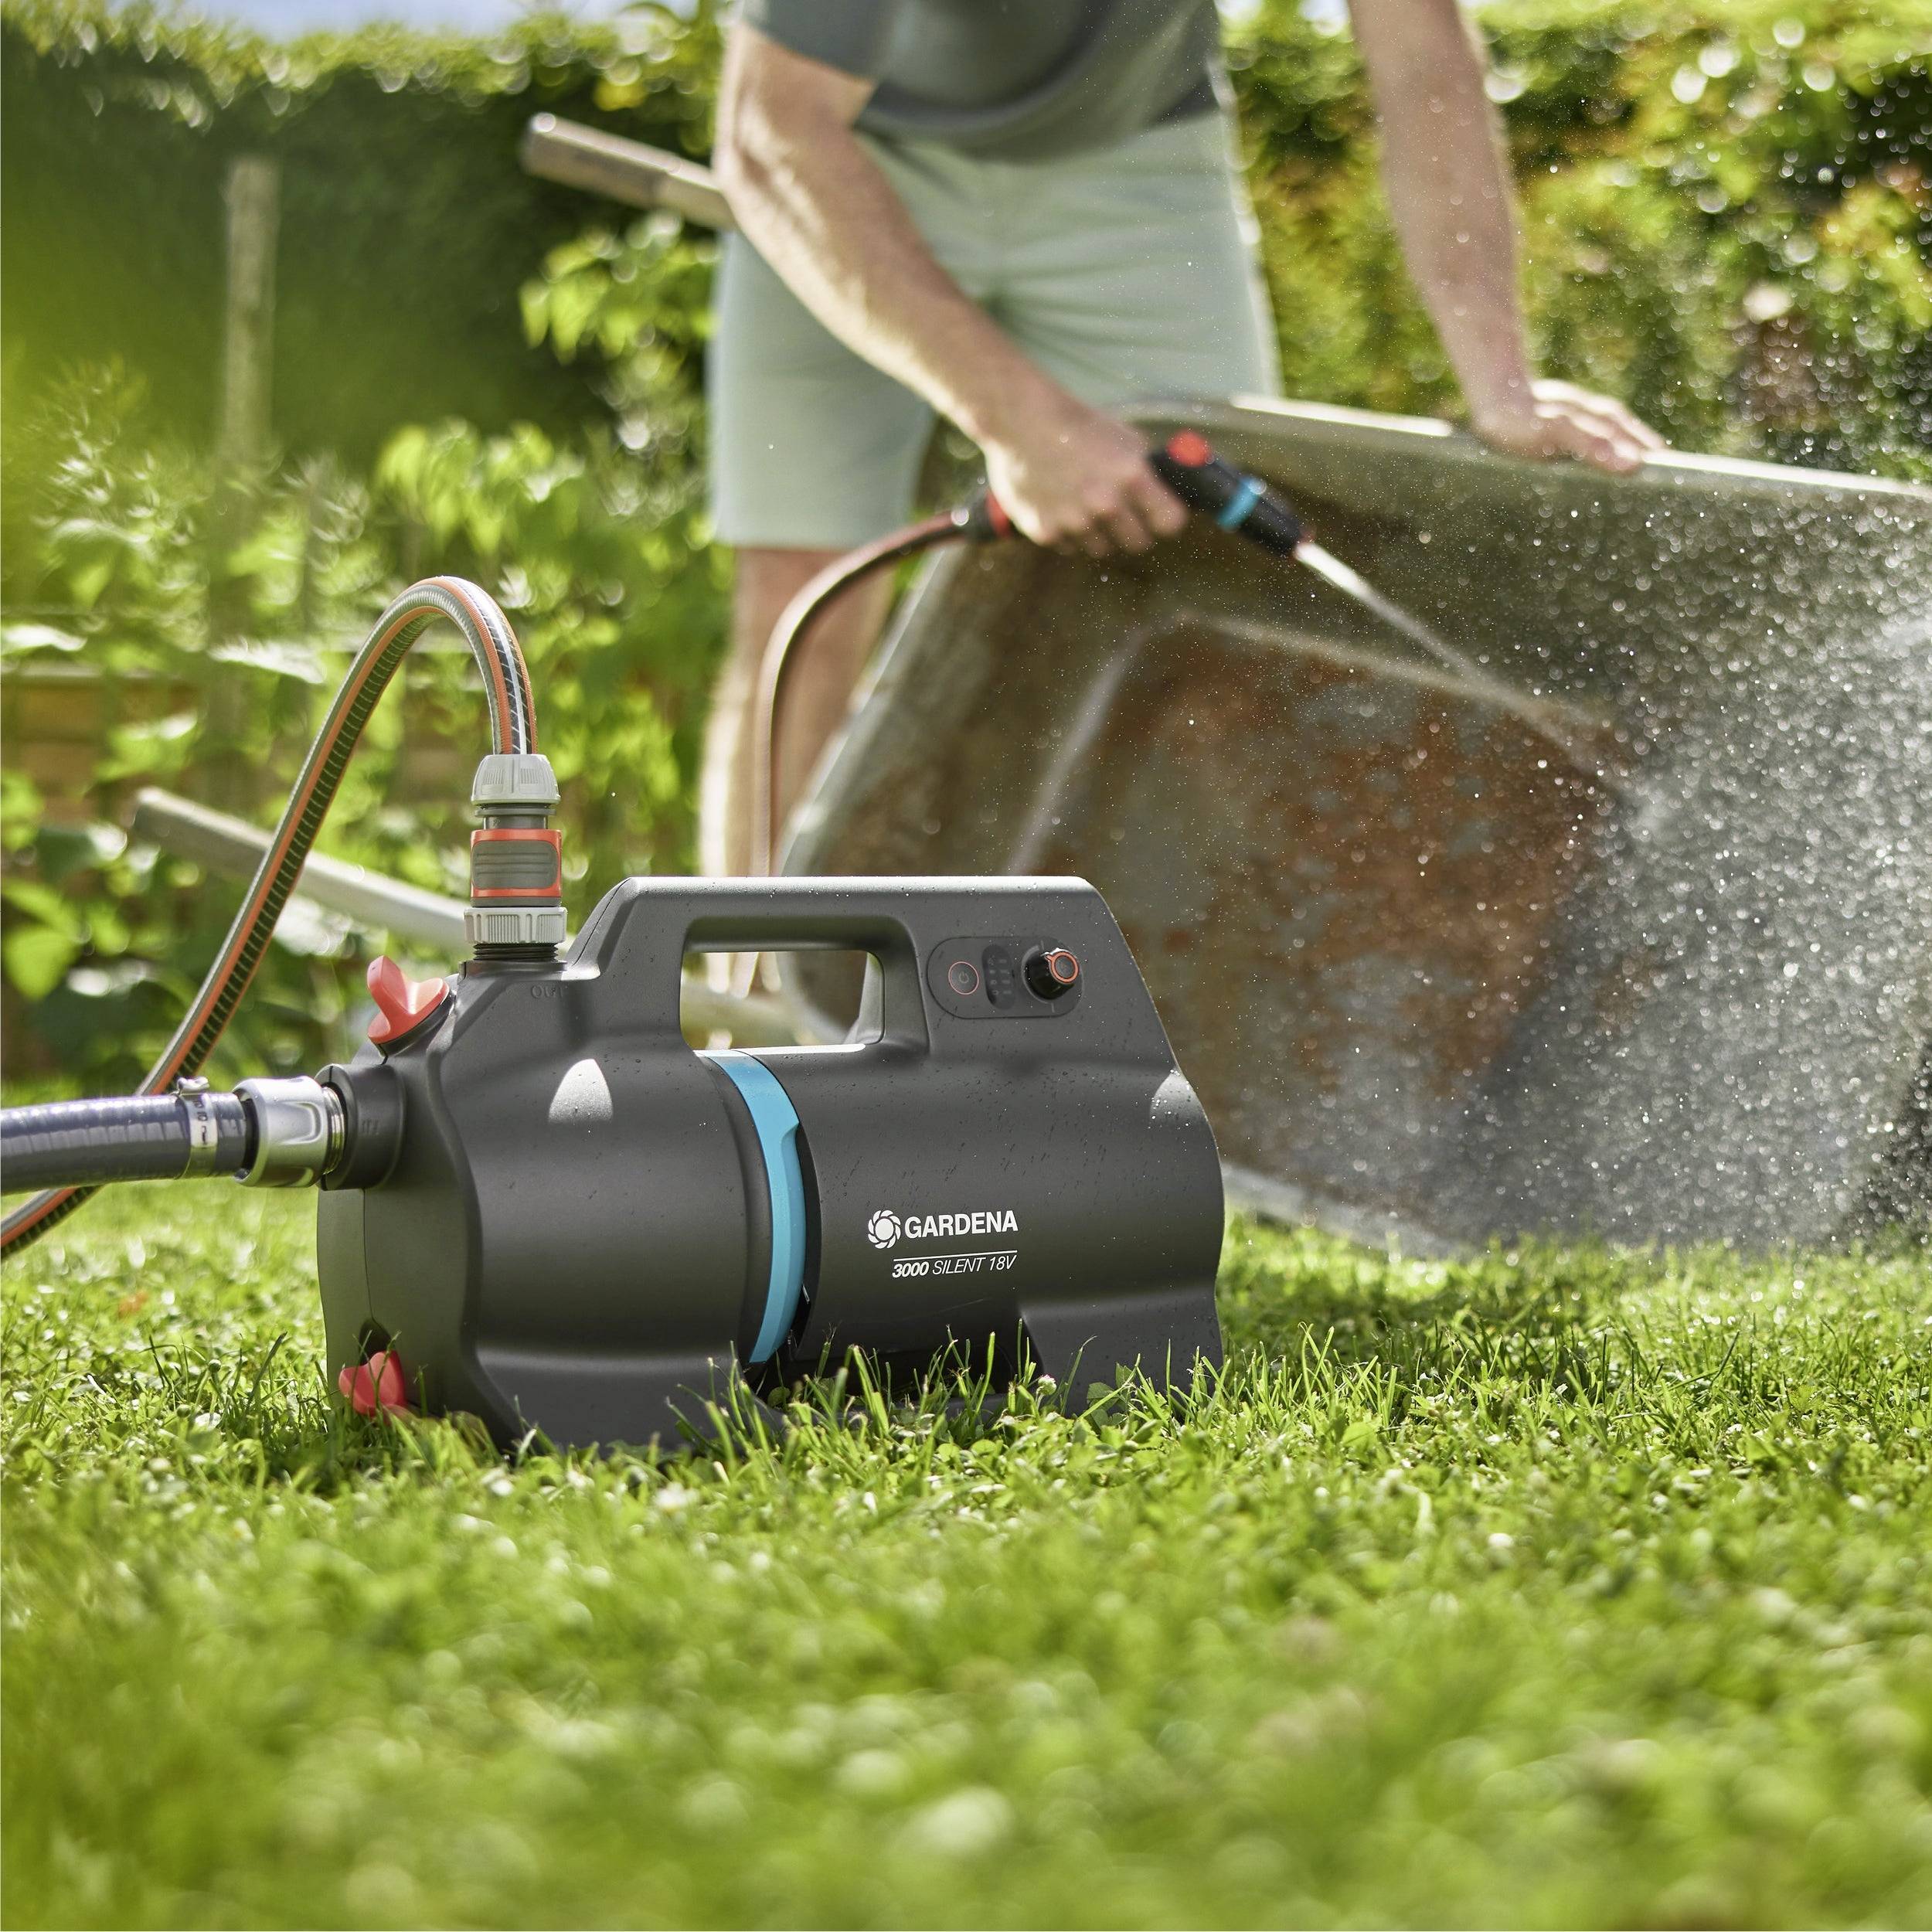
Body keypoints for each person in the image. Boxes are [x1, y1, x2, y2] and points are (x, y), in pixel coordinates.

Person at [699, 0, 1662, 878]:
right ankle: (741, 1006)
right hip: (838, 154)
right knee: (807, 589)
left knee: (1216, 565)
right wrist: (1022, 422)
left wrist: (1500, 383)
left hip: (1133, 151)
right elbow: (771, 128)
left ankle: (1163, 1002)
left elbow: (1421, 60)